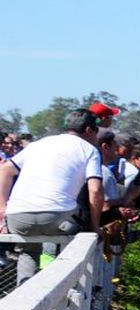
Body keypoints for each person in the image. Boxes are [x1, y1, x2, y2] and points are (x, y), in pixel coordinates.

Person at [0, 108, 105, 285]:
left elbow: (4, 170)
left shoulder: (38, 144)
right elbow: (95, 190)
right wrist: (95, 227)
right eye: (96, 132)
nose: (96, 138)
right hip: (57, 219)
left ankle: (23, 291)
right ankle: (64, 293)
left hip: (18, 218)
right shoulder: (90, 150)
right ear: (88, 130)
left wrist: (3, 212)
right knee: (72, 244)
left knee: (29, 250)